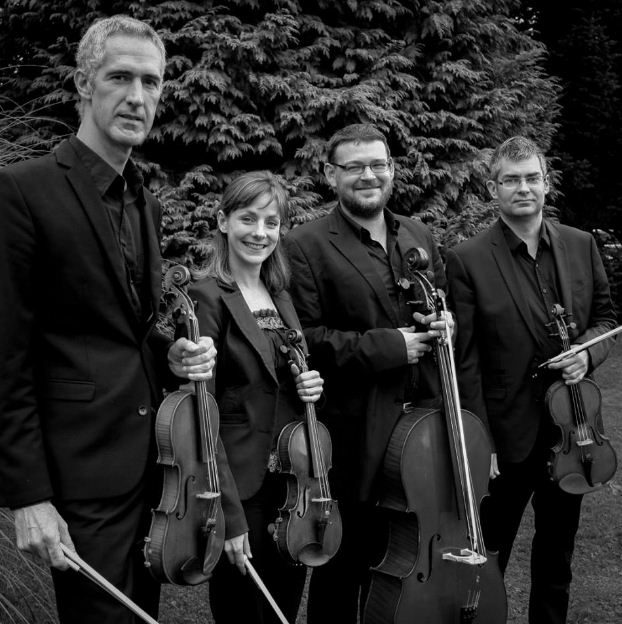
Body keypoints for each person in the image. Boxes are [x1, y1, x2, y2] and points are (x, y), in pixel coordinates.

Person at [0, 15, 217, 624]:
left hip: (149, 466)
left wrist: (168, 352)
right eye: (120, 77)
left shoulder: (140, 198)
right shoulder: (21, 191)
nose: (138, 97)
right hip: (77, 477)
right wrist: (29, 498)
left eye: (151, 82)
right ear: (83, 84)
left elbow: (130, 327)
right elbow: (6, 354)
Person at [445, 135, 617, 624]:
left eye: (532, 178)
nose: (524, 188)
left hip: (572, 433)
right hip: (507, 433)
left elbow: (604, 319)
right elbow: (466, 357)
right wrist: (481, 439)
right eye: (511, 180)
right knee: (489, 555)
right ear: (493, 189)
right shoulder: (466, 258)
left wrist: (588, 355)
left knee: (557, 556)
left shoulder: (582, 244)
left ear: (546, 183)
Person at [284, 123, 451, 623]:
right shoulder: (304, 245)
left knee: (403, 564)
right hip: (357, 436)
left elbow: (440, 313)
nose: (368, 175)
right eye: (354, 166)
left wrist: (444, 322)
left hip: (422, 432)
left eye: (378, 164)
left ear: (393, 170)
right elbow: (307, 339)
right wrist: (390, 346)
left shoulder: (418, 233)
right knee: (345, 570)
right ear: (332, 175)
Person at [189, 170, 325, 624]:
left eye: (272, 222)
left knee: (284, 606)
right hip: (241, 487)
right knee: (243, 610)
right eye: (249, 219)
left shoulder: (281, 296)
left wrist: (309, 385)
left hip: (291, 487)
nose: (261, 232)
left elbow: (288, 378)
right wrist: (227, 513)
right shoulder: (206, 297)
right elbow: (200, 412)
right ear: (224, 221)